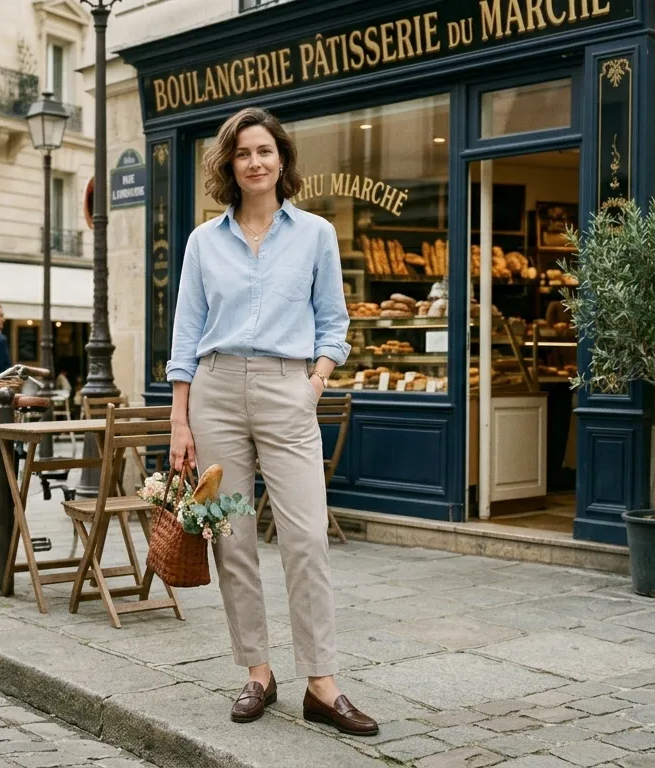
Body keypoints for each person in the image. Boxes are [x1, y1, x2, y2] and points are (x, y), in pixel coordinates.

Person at [166, 108, 373, 735]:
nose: (254, 162)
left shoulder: (315, 234)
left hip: (289, 389)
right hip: (216, 390)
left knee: (306, 535)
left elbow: (333, 322)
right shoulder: (204, 241)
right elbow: (185, 334)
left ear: (282, 160)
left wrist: (314, 384)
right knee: (232, 539)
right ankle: (257, 672)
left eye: (264, 151)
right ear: (229, 165)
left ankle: (321, 683)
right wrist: (180, 420)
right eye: (242, 153)